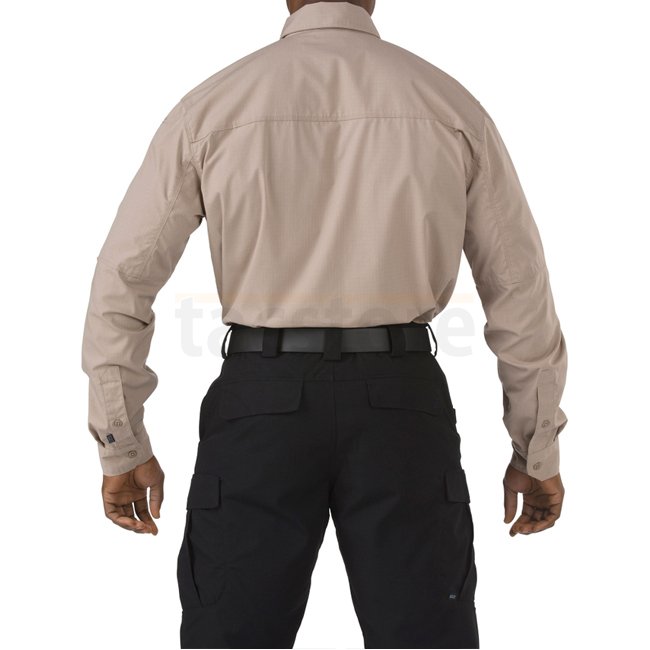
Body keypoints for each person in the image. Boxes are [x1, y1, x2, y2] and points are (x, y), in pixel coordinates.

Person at [81, 1, 569, 647]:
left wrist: (121, 441)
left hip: (258, 405)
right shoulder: (448, 105)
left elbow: (124, 279)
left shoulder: (213, 106)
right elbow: (519, 288)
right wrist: (536, 447)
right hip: (402, 404)